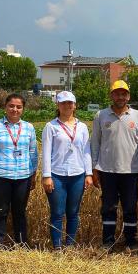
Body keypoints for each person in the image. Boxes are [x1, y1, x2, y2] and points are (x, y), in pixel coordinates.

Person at [90, 80, 138, 252]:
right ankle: (108, 242)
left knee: (130, 207)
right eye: (117, 93)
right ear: (111, 95)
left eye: (124, 94)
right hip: (107, 170)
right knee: (108, 208)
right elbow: (95, 143)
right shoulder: (101, 115)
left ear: (128, 96)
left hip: (131, 171)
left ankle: (131, 241)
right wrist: (94, 168)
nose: (120, 97)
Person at [0, 93, 38, 247]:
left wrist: (33, 175)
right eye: (11, 106)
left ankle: (22, 244)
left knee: (20, 212)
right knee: (1, 211)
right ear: (5, 107)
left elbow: (33, 152)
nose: (15, 109)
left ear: (23, 109)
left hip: (23, 176)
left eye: (19, 107)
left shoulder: (29, 127)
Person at [41, 91, 93, 250]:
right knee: (57, 212)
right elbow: (46, 152)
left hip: (78, 174)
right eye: (63, 103)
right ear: (58, 105)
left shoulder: (82, 127)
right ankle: (57, 247)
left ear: (75, 105)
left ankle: (69, 245)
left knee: (73, 212)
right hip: (57, 175)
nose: (67, 106)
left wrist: (89, 173)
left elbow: (86, 151)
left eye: (70, 103)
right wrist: (46, 176)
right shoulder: (51, 126)